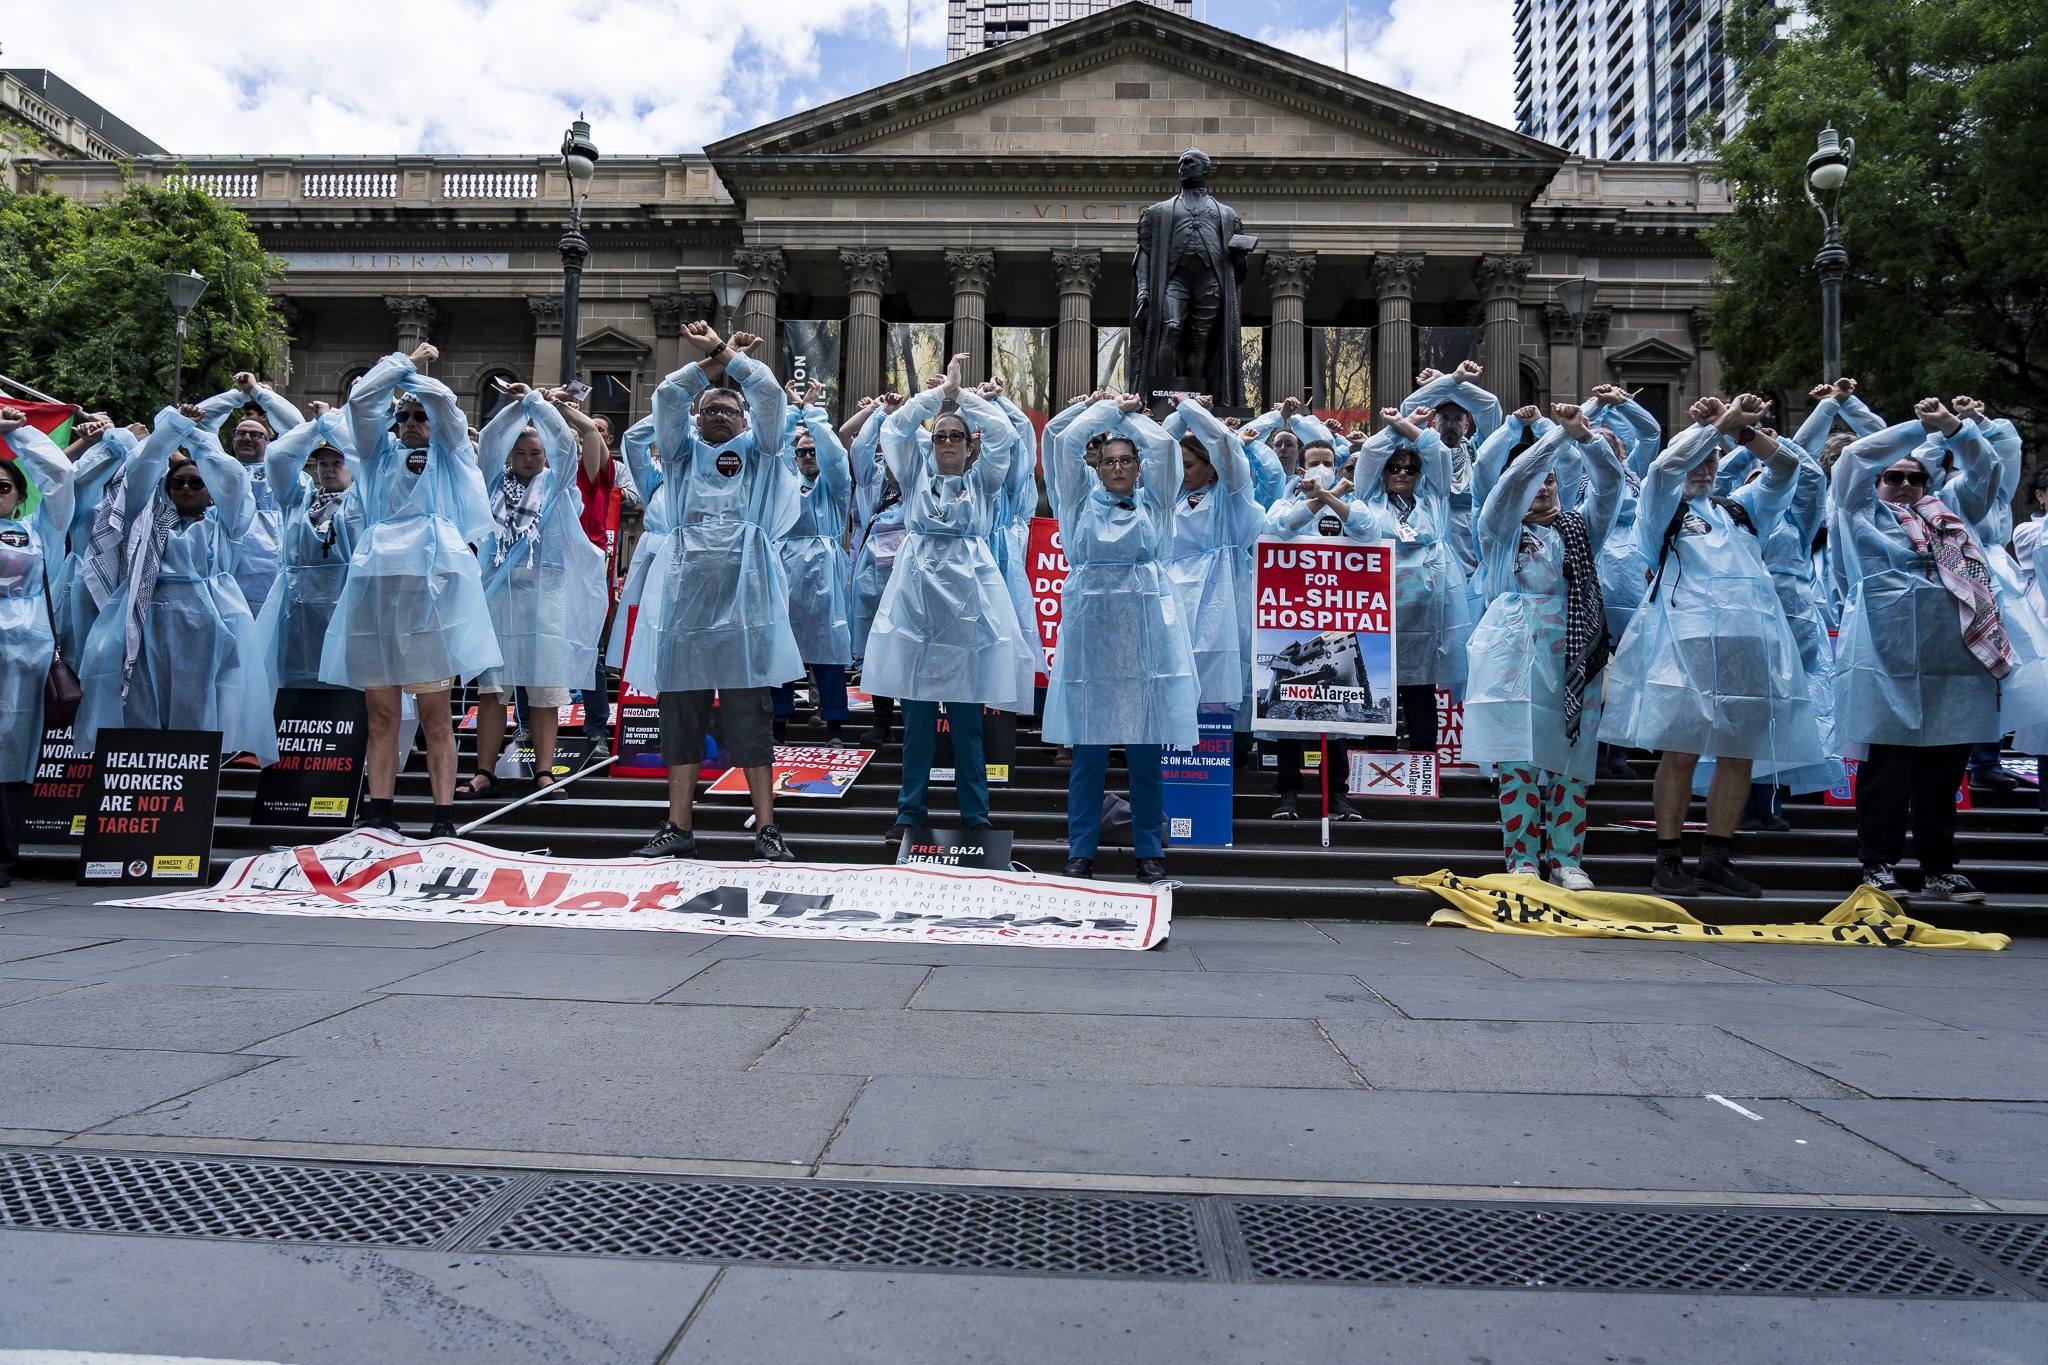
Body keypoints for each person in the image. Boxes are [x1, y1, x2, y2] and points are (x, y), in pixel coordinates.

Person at [1600, 395, 1826, 897]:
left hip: (1751, 643)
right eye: (1696, 458)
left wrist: (1744, 432)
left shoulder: (1740, 509)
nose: (1702, 467)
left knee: (1739, 754)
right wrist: (1718, 426)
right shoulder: (1661, 508)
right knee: (1681, 753)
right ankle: (1668, 859)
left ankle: (1716, 859)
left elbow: (1786, 469)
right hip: (1686, 644)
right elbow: (1664, 468)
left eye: (1711, 460)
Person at [1833, 399, 2048, 901]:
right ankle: (1877, 866)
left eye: (1916, 478)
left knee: (1942, 776)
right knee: (1886, 775)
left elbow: (1986, 471)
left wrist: (1956, 429)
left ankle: (1939, 869)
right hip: (1885, 663)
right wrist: (1919, 428)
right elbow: (1855, 458)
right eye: (1894, 476)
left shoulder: (1954, 515)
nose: (1906, 484)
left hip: (1956, 665)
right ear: (1876, 482)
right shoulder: (1858, 511)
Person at [625, 323, 799, 862]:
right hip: (684, 598)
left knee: (751, 714)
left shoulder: (762, 451)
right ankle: (678, 825)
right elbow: (666, 396)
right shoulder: (679, 455)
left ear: (745, 420)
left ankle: (766, 827)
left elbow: (769, 392)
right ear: (695, 420)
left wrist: (727, 355)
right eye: (709, 409)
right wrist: (710, 366)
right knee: (681, 711)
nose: (719, 413)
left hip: (747, 598)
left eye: (729, 408)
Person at [327, 343, 501, 839]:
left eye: (418, 417)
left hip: (432, 599)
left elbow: (446, 407)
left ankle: (443, 819)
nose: (410, 422)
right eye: (402, 415)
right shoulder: (375, 456)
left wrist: (416, 378)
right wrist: (401, 363)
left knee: (435, 716)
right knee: (380, 715)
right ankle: (380, 813)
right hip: (377, 593)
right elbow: (361, 402)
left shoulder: (450, 455)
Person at [869, 354, 1038, 841]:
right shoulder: (913, 475)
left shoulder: (984, 480)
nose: (946, 442)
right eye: (939, 436)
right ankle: (909, 813)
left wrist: (961, 397)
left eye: (956, 436)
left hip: (969, 611)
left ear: (969, 446)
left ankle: (976, 815)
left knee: (967, 726)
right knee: (918, 725)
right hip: (916, 609)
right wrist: (936, 398)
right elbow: (895, 429)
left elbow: (1004, 434)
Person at [1463, 405, 1620, 887]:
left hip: (1575, 652)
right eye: (1536, 480)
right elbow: (1512, 485)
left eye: (1550, 480)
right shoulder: (1499, 531)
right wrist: (1555, 438)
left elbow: (1610, 488)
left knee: (1573, 758)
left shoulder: (1580, 529)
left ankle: (1566, 859)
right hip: (1511, 654)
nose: (1543, 488)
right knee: (1517, 758)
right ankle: (1523, 860)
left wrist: (1585, 439)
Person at [1042, 393, 1197, 880]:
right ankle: (1081, 851)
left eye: (1126, 460)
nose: (1116, 468)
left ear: (1138, 465)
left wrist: (1130, 418)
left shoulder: (1157, 501)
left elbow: (1166, 449)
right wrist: (1109, 412)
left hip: (1145, 637)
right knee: (1088, 755)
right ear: (1098, 465)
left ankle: (1149, 851)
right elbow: (1068, 442)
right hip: (1091, 635)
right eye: (1108, 460)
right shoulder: (1076, 500)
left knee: (1145, 753)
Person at [73, 405, 278, 765]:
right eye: (177, 482)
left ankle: (193, 777)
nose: (185, 487)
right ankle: (145, 775)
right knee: (143, 698)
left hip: (209, 624)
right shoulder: (146, 520)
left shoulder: (226, 523)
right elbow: (141, 468)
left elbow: (232, 477)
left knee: (201, 700)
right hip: (148, 619)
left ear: (210, 492)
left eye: (196, 482)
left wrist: (194, 435)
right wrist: (172, 428)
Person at [459, 385, 608, 799]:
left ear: (545, 457)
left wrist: (539, 406)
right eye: (521, 452)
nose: (528, 458)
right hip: (498, 596)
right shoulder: (492, 483)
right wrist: (517, 407)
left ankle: (544, 772)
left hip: (546, 597)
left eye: (535, 453)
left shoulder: (559, 486)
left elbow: (565, 443)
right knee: (492, 690)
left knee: (544, 691)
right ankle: (484, 771)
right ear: (511, 455)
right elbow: (491, 439)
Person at [1350, 405, 1475, 760]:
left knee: (1421, 693)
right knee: (1379, 689)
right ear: (1382, 473)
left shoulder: (1434, 498)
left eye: (1410, 468)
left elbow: (1439, 455)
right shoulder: (1368, 501)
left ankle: (1424, 769)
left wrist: (1409, 426)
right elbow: (1370, 452)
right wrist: (1395, 428)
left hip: (1426, 616)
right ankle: (1379, 767)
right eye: (1394, 467)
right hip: (1379, 612)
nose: (1402, 473)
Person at [1259, 435, 1372, 821]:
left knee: (1336, 714)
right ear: (1301, 469)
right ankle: (1288, 793)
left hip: (1336, 612)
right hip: (1293, 613)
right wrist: (1321, 495)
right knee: (1289, 714)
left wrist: (1332, 495)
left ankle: (1337, 795)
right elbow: (1283, 527)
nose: (1322, 468)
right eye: (1315, 463)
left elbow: (1367, 530)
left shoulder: (1352, 501)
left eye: (1329, 463)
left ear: (1337, 468)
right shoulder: (1285, 501)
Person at [0, 409, 77, 886]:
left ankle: (2, 858)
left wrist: (19, 433)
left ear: (18, 495)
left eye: (3, 486)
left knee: (11, 758)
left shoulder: (37, 532)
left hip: (22, 658)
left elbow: (60, 476)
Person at [1160, 394, 1262, 720]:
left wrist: (1189, 407)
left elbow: (1226, 447)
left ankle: (1216, 743)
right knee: (1174, 675)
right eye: (1178, 466)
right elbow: (1156, 450)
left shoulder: (1230, 497)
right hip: (1175, 595)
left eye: (1189, 465)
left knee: (1216, 679)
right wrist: (1178, 418)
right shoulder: (1167, 501)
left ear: (1210, 466)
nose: (1182, 473)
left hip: (1222, 596)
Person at [252, 404, 361, 690]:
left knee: (345, 681)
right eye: (323, 464)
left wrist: (337, 423)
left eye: (337, 462)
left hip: (345, 602)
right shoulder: (298, 498)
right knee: (298, 682)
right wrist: (318, 426)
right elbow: (278, 456)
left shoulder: (363, 499)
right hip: (298, 606)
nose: (328, 469)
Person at [773, 380, 854, 745]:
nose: (808, 456)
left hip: (825, 571)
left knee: (828, 650)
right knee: (781, 647)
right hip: (784, 568)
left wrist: (812, 413)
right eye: (802, 452)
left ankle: (834, 726)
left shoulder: (835, 486)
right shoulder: (785, 483)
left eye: (813, 450)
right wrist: (793, 411)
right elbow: (771, 450)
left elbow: (835, 455)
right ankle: (778, 723)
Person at [194, 372, 306, 616]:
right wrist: (239, 396)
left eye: (256, 434)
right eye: (240, 433)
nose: (247, 438)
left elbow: (298, 429)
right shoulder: (222, 470)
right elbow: (200, 421)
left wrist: (259, 393)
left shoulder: (282, 470)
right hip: (227, 566)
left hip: (275, 567)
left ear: (269, 441)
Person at [847, 392, 909, 747]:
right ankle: (882, 721)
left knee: (909, 649)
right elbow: (859, 449)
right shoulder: (871, 483)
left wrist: (907, 417)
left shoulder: (922, 486)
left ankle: (914, 721)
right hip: (871, 583)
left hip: (909, 583)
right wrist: (883, 414)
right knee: (877, 652)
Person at [1401, 360, 1503, 574]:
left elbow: (1490, 405)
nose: (1450, 424)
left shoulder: (1479, 451)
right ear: (1433, 423)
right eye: (1445, 418)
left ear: (1466, 426)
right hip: (1431, 545)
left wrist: (1446, 381)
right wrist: (1452, 380)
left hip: (1473, 548)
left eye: (1457, 419)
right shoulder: (1421, 453)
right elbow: (1409, 408)